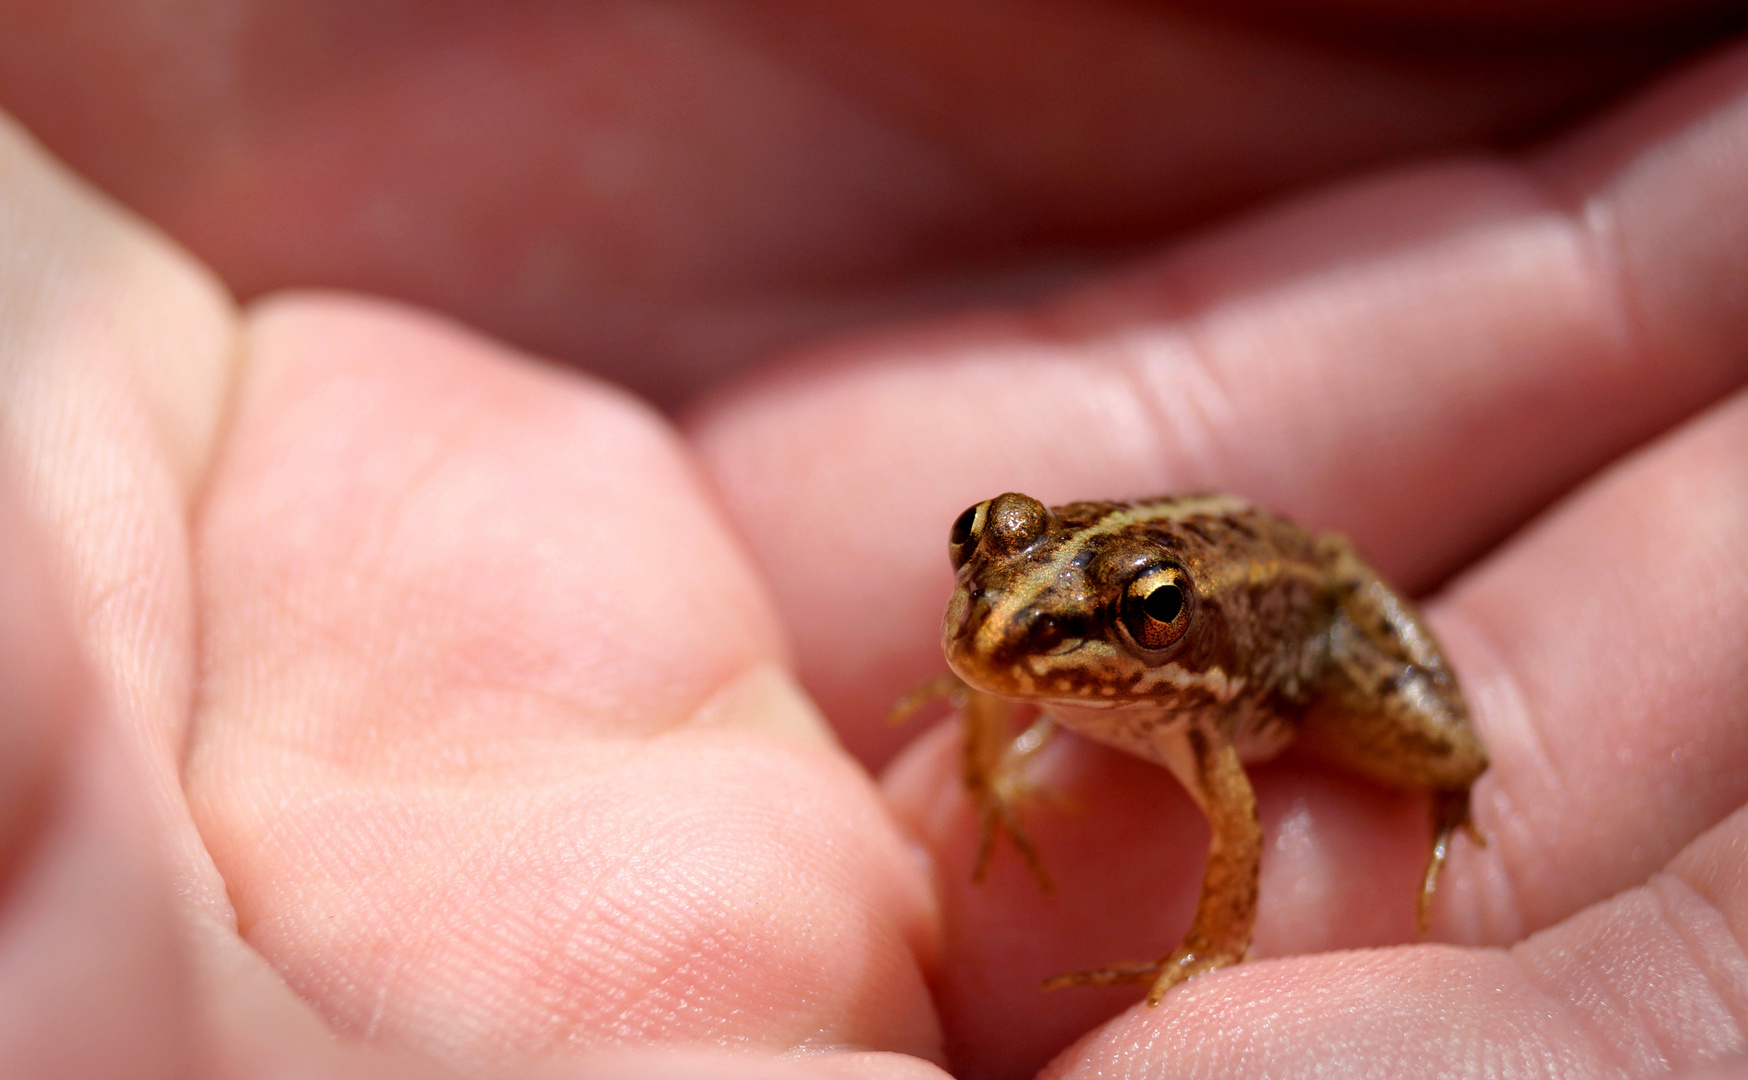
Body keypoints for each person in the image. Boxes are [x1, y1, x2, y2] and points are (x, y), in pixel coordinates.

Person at [0, 4, 1745, 1077]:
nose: (998, 635)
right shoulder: (1025, 644)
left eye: (1108, 619)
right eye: (987, 559)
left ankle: (1438, 797)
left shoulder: (1211, 715)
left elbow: (1233, 829)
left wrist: (1210, 953)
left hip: (1306, 607)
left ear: (1161, 637)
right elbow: (1004, 663)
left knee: (1436, 741)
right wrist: (992, 763)